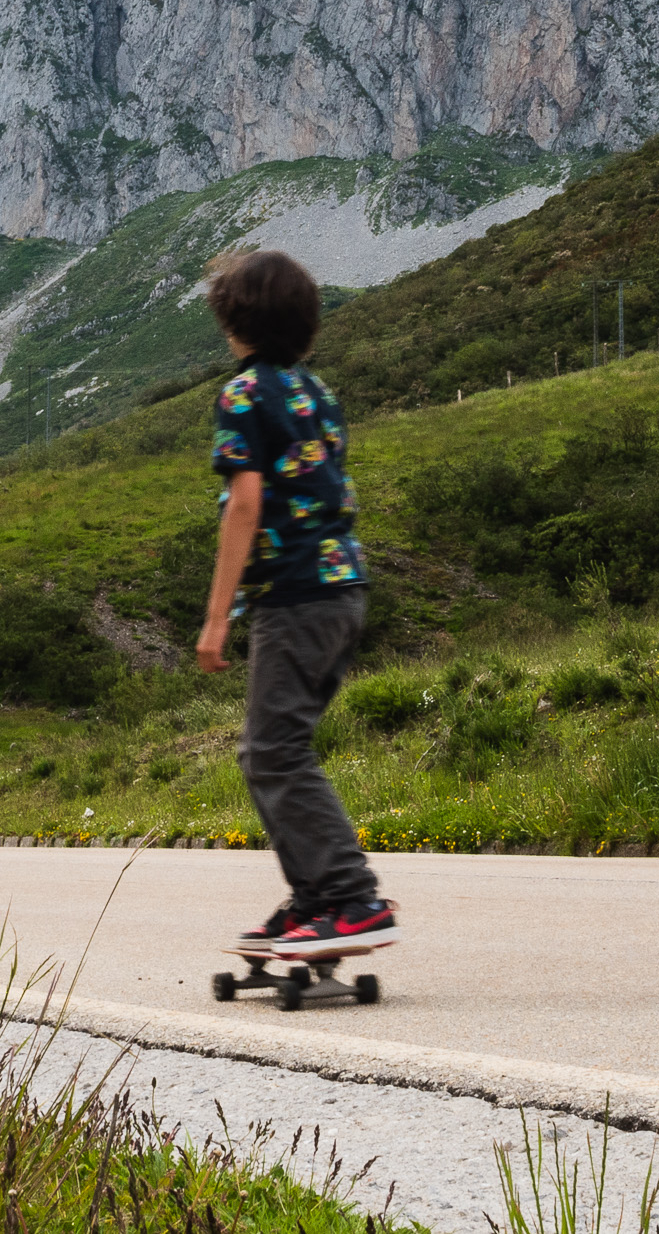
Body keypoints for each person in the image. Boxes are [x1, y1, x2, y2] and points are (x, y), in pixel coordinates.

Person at [196, 249, 399, 957]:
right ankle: (315, 896)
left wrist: (217, 614)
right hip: (344, 587)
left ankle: (349, 895)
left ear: (235, 319)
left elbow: (244, 503)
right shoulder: (318, 392)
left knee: (272, 750)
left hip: (295, 595)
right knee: (273, 749)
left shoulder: (243, 395)